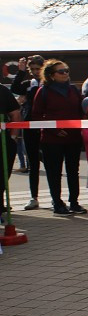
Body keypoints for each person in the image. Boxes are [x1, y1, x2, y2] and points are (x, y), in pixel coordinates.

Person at [31, 59, 85, 216]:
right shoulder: (43, 91)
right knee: (54, 171)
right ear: (51, 75)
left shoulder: (73, 90)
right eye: (61, 71)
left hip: (73, 137)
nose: (65, 74)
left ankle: (74, 202)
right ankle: (57, 202)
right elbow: (36, 115)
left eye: (67, 70)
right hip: (52, 140)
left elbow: (81, 109)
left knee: (73, 170)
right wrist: (54, 130)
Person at [15, 55, 44, 210]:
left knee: (53, 163)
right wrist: (20, 72)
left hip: (47, 127)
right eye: (31, 69)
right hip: (30, 127)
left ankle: (56, 197)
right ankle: (34, 197)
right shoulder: (29, 84)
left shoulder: (49, 83)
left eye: (37, 69)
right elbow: (15, 89)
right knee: (33, 163)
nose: (34, 72)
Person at [0, 77, 22, 220]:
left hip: (3, 141)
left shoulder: (2, 90)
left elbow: (15, 114)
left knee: (2, 175)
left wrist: (13, 137)